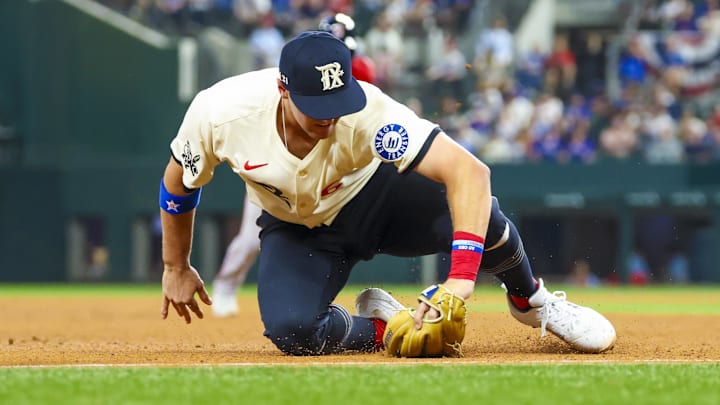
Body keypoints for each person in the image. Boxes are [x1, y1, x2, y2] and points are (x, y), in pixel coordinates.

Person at [159, 31, 616, 356]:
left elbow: (470, 173)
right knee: (292, 333)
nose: (330, 119)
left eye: (338, 104)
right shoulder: (220, 112)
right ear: (283, 89)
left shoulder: (368, 110)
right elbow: (178, 183)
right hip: (299, 228)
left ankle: (530, 300)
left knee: (482, 215)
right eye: (317, 107)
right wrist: (175, 265)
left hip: (378, 195)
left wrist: (459, 279)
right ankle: (385, 326)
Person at [210, 13, 377, 318]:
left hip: (327, 170)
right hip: (274, 166)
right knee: (249, 238)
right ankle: (224, 287)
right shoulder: (294, 75)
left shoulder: (362, 72)